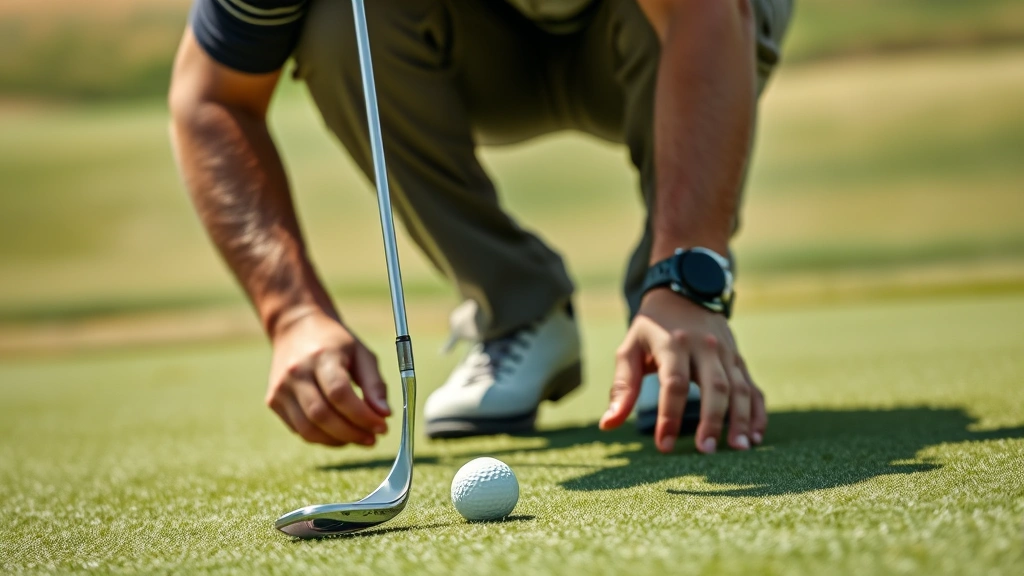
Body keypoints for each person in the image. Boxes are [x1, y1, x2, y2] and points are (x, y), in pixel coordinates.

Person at [169, 0, 791, 456]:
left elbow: (708, 14)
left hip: (663, 27)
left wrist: (686, 280)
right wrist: (292, 313)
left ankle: (668, 325)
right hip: (474, 46)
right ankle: (519, 308)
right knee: (341, 23)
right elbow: (210, 95)